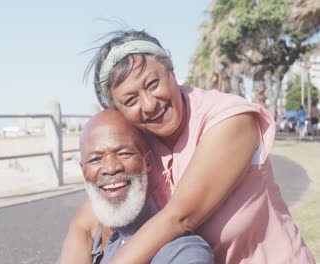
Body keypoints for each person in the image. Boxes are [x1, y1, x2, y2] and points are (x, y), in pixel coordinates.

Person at [59, 30, 315, 264]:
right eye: (130, 100)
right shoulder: (141, 140)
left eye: (152, 84)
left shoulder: (229, 120)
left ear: (170, 68)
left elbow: (179, 217)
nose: (149, 104)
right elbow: (84, 225)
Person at [58, 109, 214, 264]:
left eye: (124, 153)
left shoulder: (180, 251)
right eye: (95, 159)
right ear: (83, 170)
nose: (111, 168)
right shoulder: (82, 242)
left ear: (147, 162)